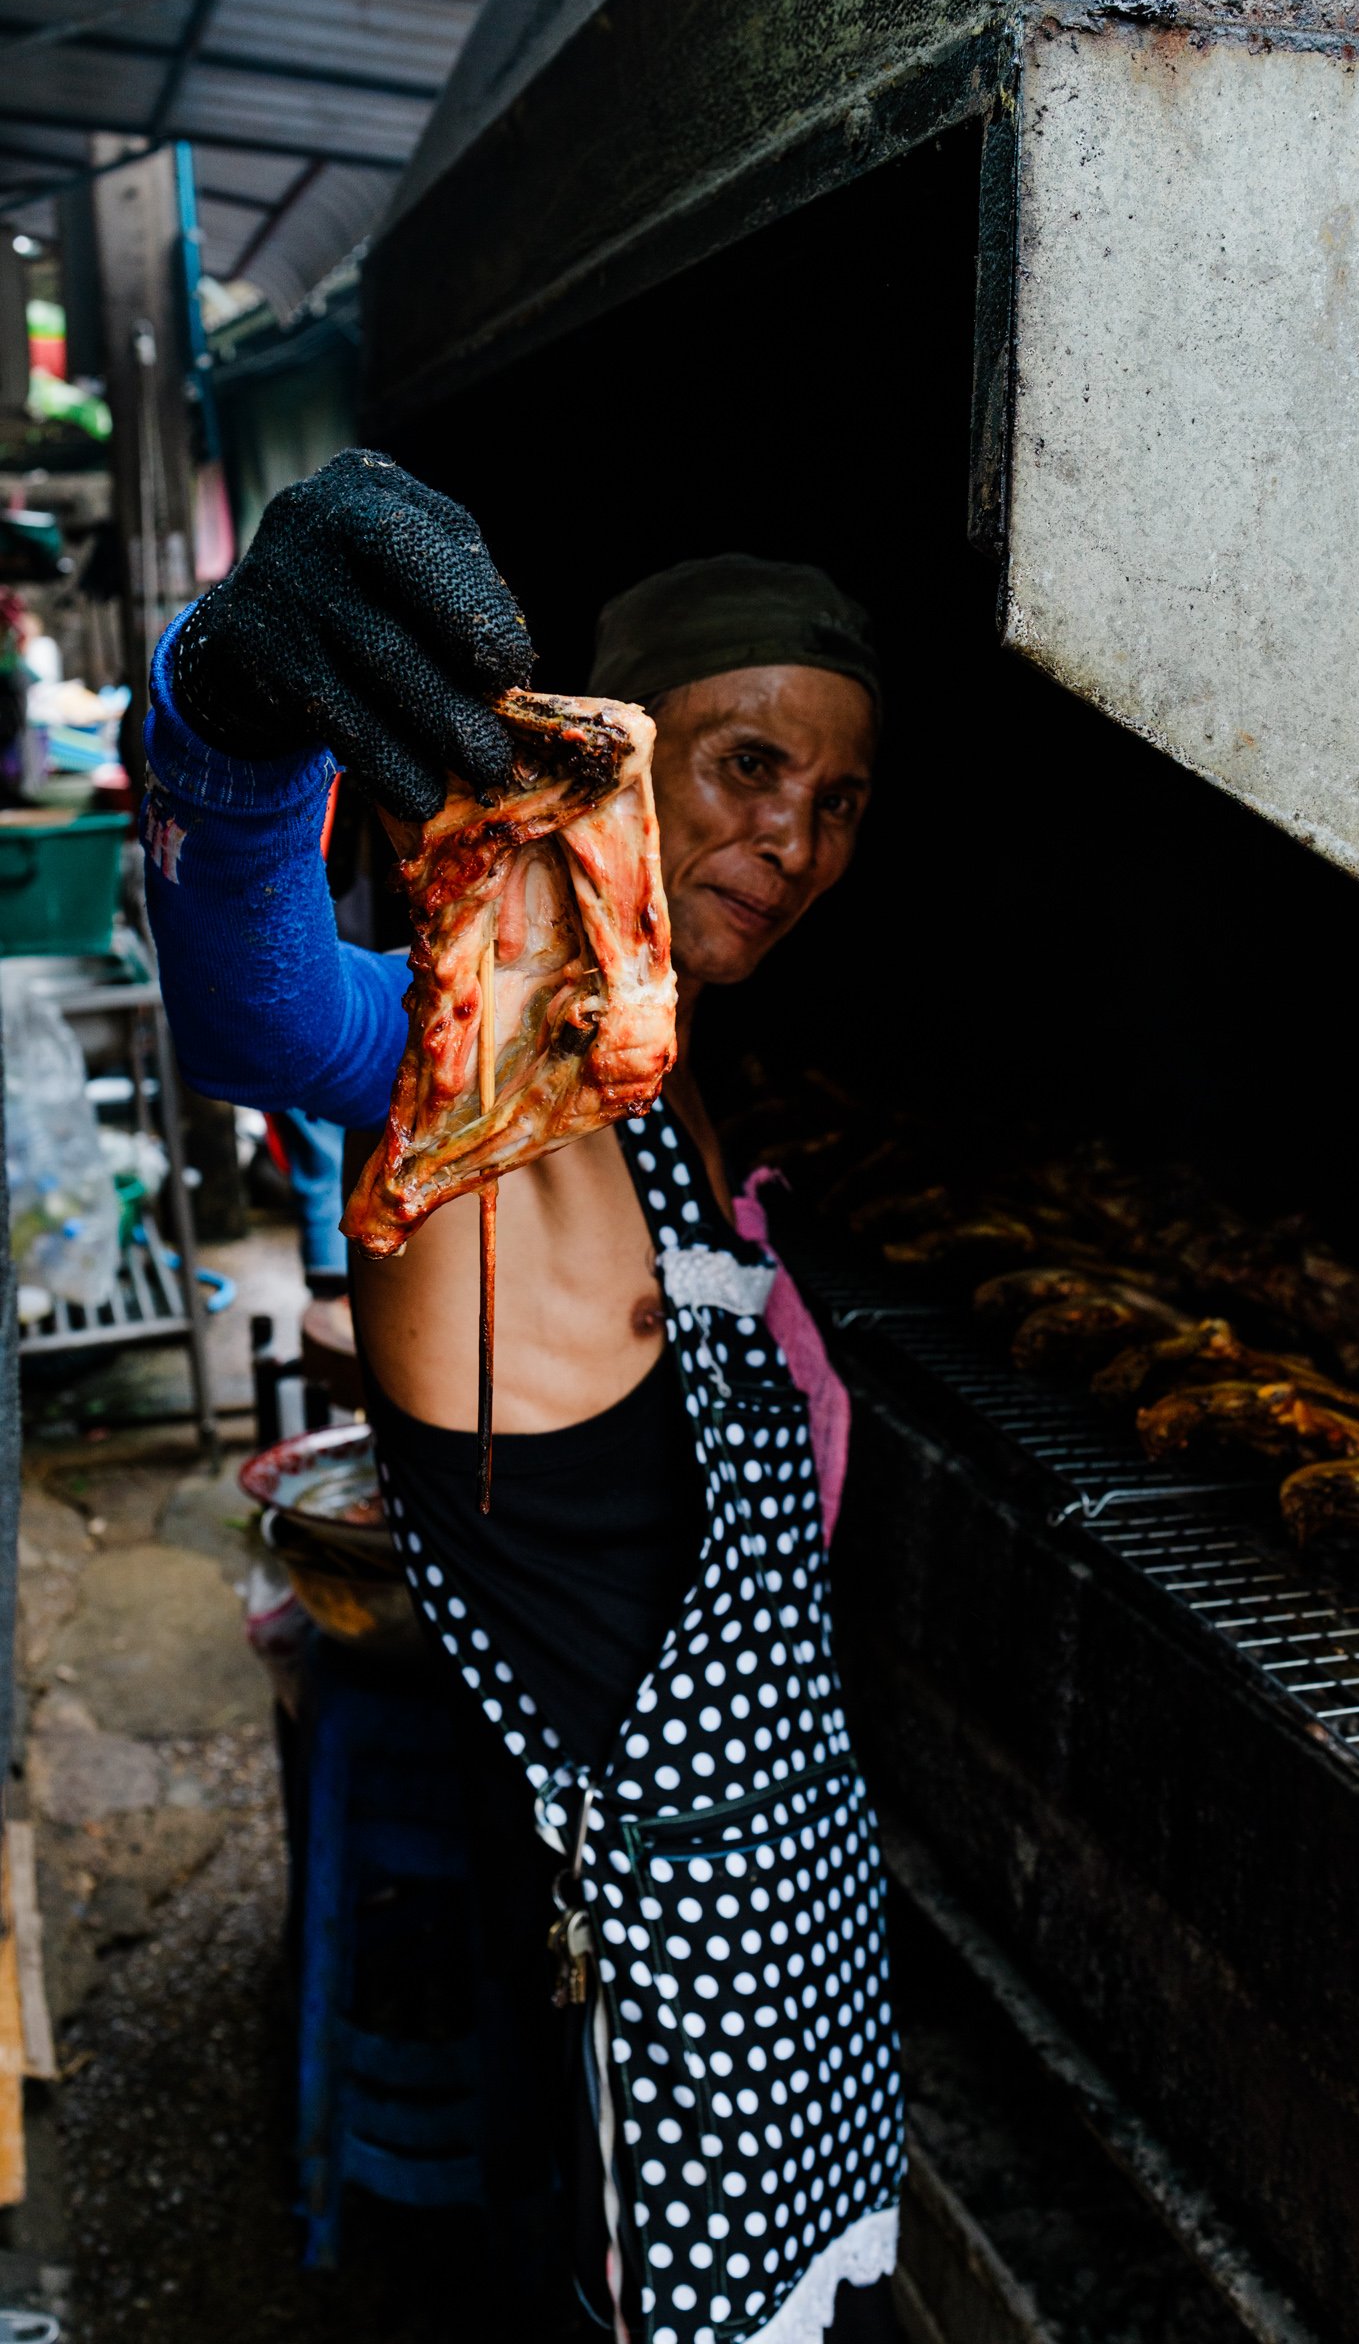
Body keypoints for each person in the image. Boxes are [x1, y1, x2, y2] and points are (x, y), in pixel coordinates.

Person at [140, 451, 902, 2343]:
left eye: (838, 801)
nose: (795, 841)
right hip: (657, 2009)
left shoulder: (676, 1072)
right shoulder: (479, 1082)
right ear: (613, 757)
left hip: (810, 1950)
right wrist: (226, 714)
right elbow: (266, 1007)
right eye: (748, 768)